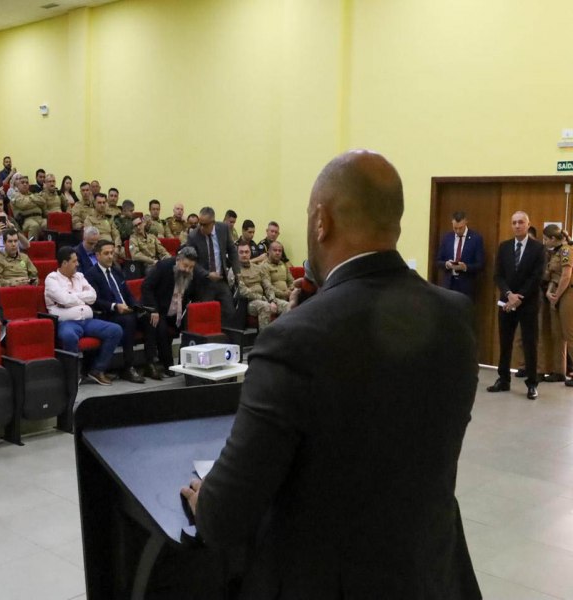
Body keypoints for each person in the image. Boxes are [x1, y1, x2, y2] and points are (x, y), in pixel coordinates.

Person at [181, 150, 481, 599]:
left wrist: (205, 498)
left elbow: (225, 517)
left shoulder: (293, 340)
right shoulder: (455, 315)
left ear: (321, 221)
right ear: (395, 224)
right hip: (432, 572)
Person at [44, 246, 122, 386]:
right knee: (68, 336)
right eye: (74, 261)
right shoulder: (52, 279)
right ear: (64, 263)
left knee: (115, 330)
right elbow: (63, 300)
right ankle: (72, 375)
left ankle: (97, 370)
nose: (78, 264)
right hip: (67, 322)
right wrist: (80, 299)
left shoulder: (79, 276)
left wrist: (72, 298)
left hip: (87, 320)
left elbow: (92, 296)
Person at [487, 211, 545, 400]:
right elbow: (498, 275)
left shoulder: (538, 248)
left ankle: (532, 384)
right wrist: (509, 295)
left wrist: (520, 297)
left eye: (521, 222)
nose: (517, 225)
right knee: (505, 342)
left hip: (528, 303)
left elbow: (537, 276)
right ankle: (503, 379)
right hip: (506, 301)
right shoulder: (504, 247)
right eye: (514, 223)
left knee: (530, 343)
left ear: (528, 225)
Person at [84, 240, 148, 383]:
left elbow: (128, 293)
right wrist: (114, 306)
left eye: (112, 253)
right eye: (106, 253)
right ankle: (128, 367)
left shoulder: (116, 271)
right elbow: (95, 301)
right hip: (107, 315)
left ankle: (150, 362)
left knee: (148, 318)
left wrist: (137, 306)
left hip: (125, 311)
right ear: (97, 255)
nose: (110, 256)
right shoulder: (91, 275)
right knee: (129, 320)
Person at [140, 247, 198, 376]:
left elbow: (192, 295)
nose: (188, 270)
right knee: (162, 329)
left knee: (192, 328)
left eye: (191, 267)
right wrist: (153, 309)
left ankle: (186, 363)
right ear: (178, 260)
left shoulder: (190, 274)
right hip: (158, 309)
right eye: (185, 266)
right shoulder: (163, 267)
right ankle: (168, 366)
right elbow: (146, 287)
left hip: (177, 313)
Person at [186, 206, 240, 325]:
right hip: (203, 282)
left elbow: (232, 250)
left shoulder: (223, 229)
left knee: (230, 313)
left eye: (205, 224)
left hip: (221, 280)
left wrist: (237, 272)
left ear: (213, 223)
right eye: (200, 223)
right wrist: (207, 274)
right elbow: (190, 261)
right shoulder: (193, 236)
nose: (201, 227)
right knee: (206, 315)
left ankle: (227, 341)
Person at [540, 225, 571, 383]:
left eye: (546, 239)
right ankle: (559, 371)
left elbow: (566, 275)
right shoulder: (555, 252)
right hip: (556, 294)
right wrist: (549, 292)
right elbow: (554, 275)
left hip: (568, 293)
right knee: (557, 333)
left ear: (552, 239)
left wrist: (556, 296)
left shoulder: (566, 250)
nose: (544, 242)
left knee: (569, 333)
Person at [236, 240, 288, 329]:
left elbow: (267, 285)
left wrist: (272, 300)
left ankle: (282, 337)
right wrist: (262, 299)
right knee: (265, 307)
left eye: (246, 252)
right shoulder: (235, 270)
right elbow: (243, 291)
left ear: (250, 253)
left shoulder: (258, 268)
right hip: (249, 303)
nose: (244, 255)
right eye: (241, 252)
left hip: (264, 299)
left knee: (287, 306)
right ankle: (264, 340)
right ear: (237, 254)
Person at [436, 211, 485, 299]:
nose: (458, 231)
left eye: (460, 228)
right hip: (449, 285)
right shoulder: (447, 238)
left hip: (466, 286)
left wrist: (465, 267)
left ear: (466, 222)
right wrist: (447, 264)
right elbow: (438, 260)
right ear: (452, 223)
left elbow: (480, 264)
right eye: (455, 228)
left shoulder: (476, 239)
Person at [11, 174, 46, 240]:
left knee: (47, 223)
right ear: (18, 185)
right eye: (22, 182)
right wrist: (35, 201)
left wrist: (31, 197)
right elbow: (23, 204)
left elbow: (43, 201)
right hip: (26, 220)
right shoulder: (15, 195)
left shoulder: (32, 194)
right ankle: (33, 247)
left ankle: (48, 246)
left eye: (27, 183)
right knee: (34, 226)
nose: (25, 184)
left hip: (39, 218)